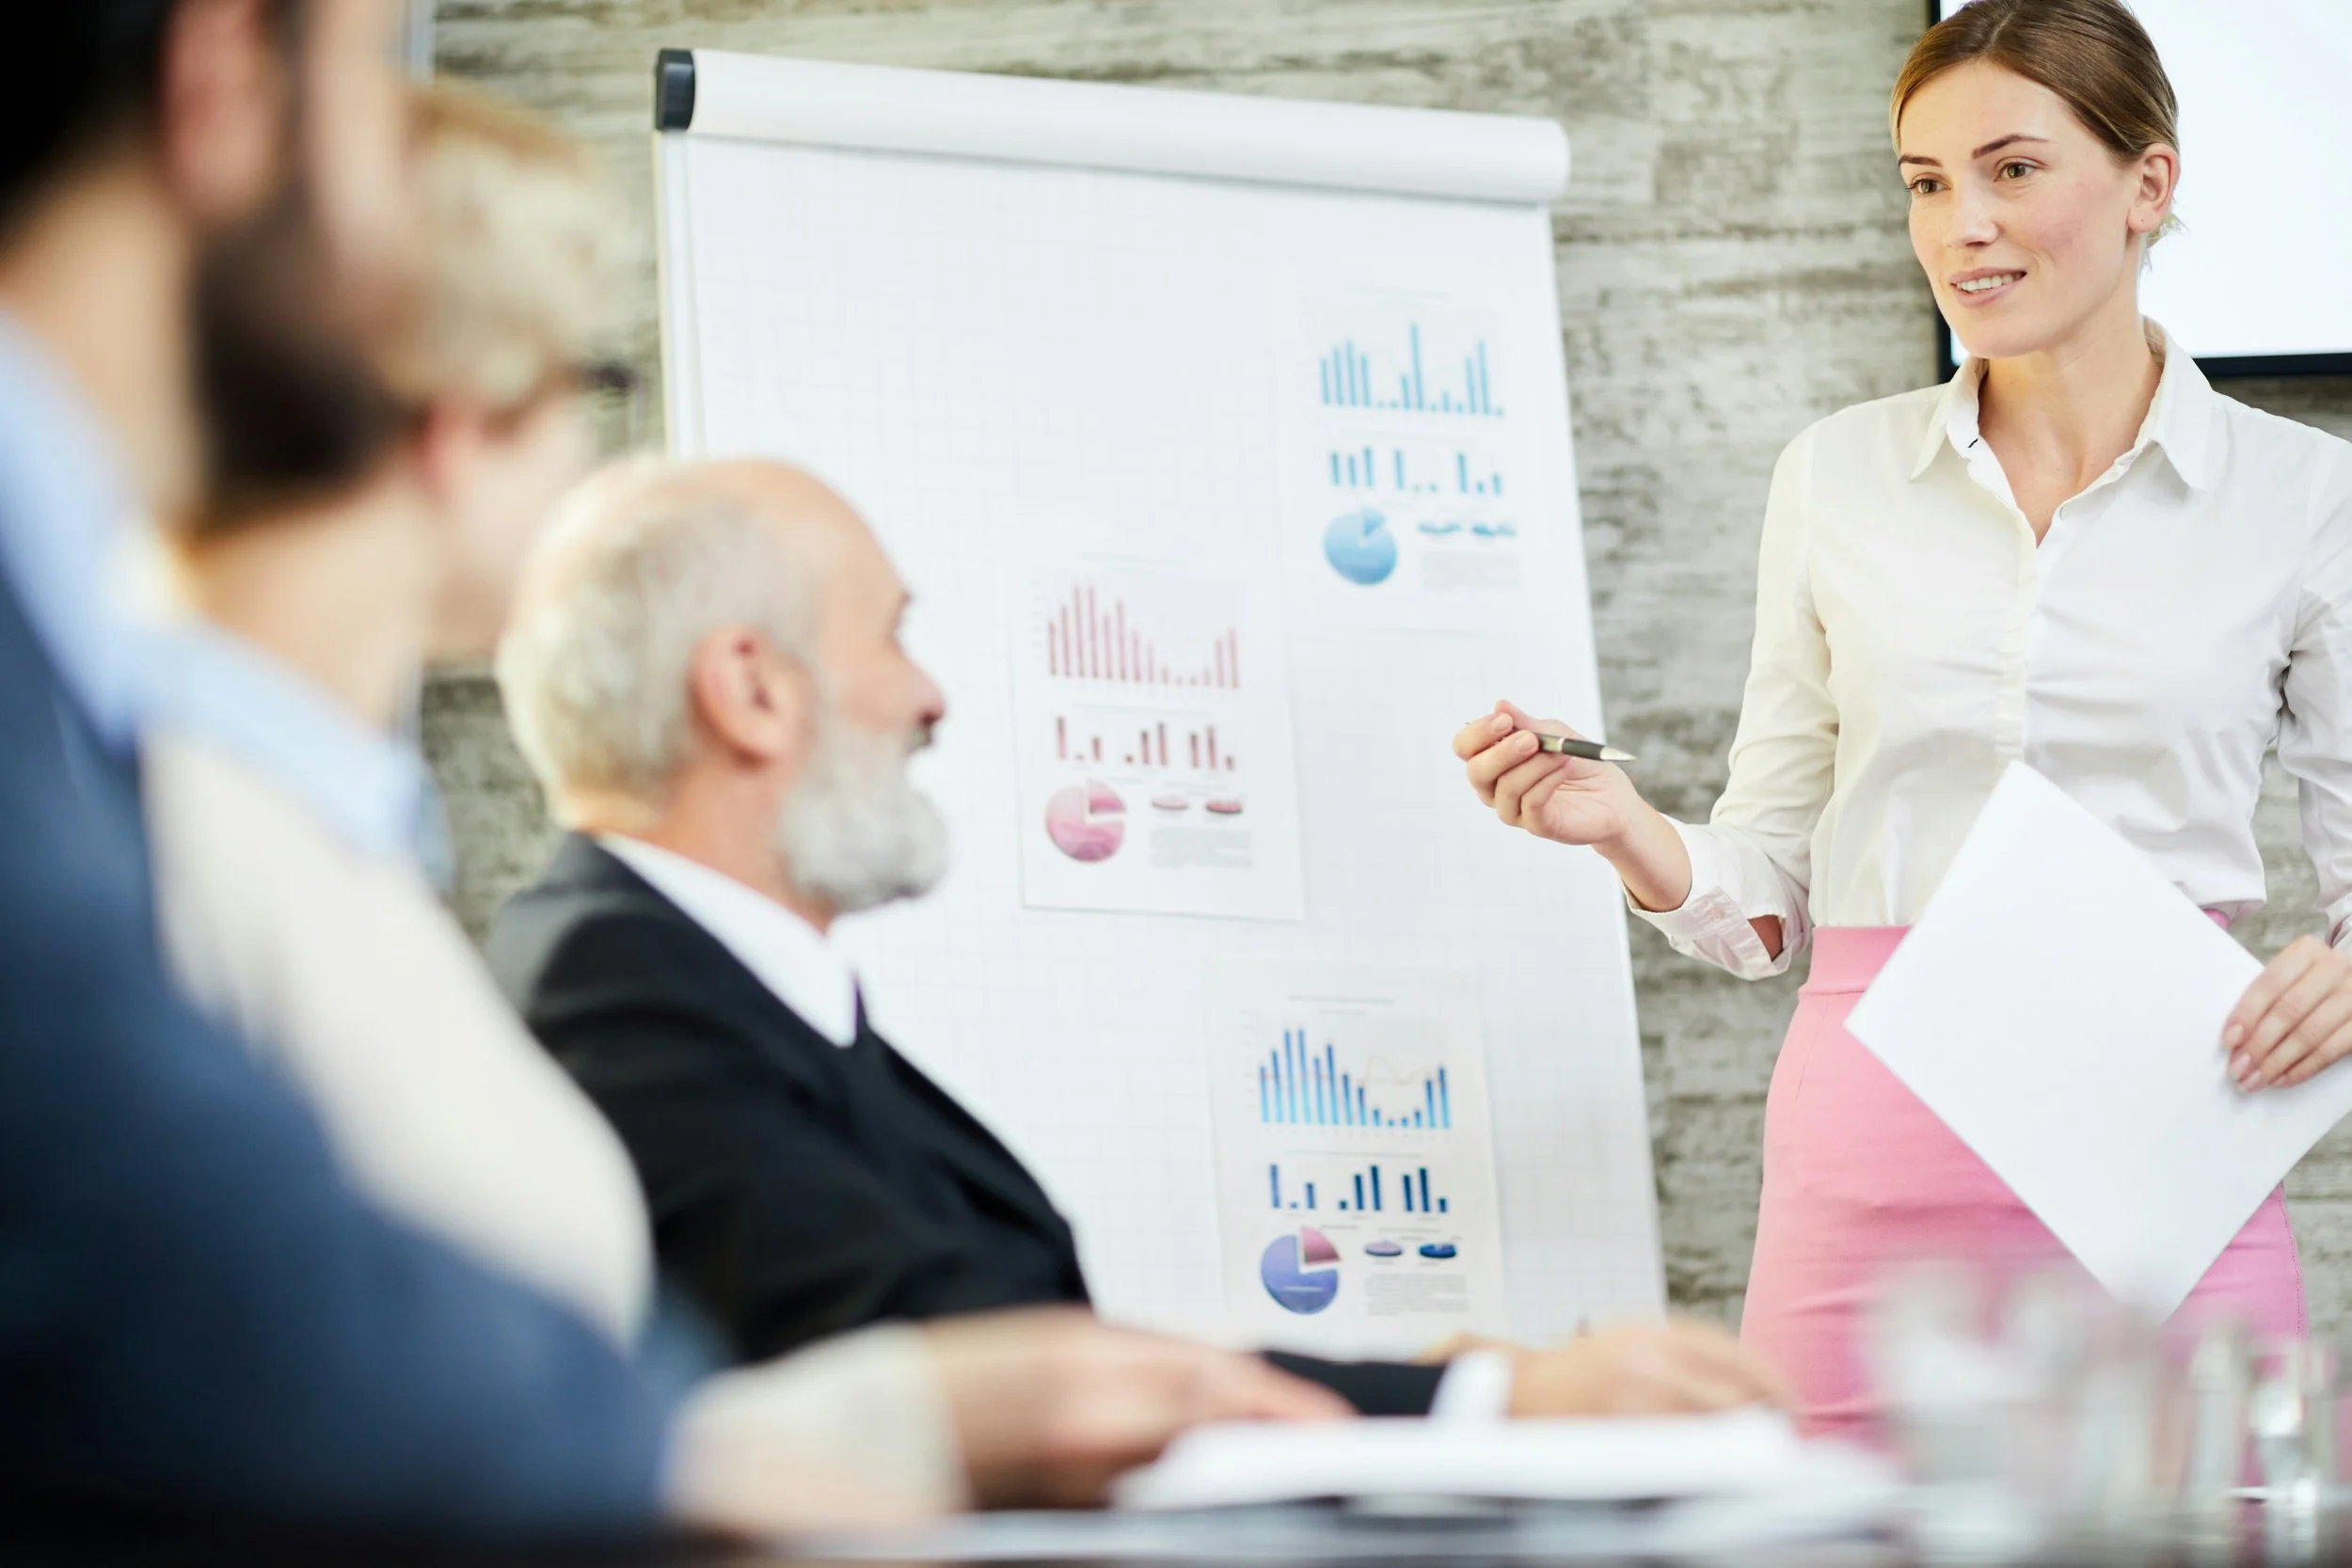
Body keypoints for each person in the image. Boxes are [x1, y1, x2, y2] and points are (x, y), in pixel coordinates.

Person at [0, 0, 1329, 1536]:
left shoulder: (306, 836)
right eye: (589, 389)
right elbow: (224, 1344)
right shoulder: (177, 821)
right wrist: (850, 1431)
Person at [1454, 0, 2352, 1439]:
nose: (1962, 230)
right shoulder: (1837, 474)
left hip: (2166, 1161)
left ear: (2148, 184)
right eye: (1926, 183)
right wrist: (1632, 832)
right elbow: (1773, 878)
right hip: (1864, 1173)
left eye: (2011, 170)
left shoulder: (2305, 498)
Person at [489, 454, 1793, 1422]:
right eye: (890, 633)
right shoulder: (617, 994)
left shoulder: (717, 982)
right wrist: (1484, 1404)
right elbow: (972, 1374)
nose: (931, 695)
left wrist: (1462, 1379)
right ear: (751, 689)